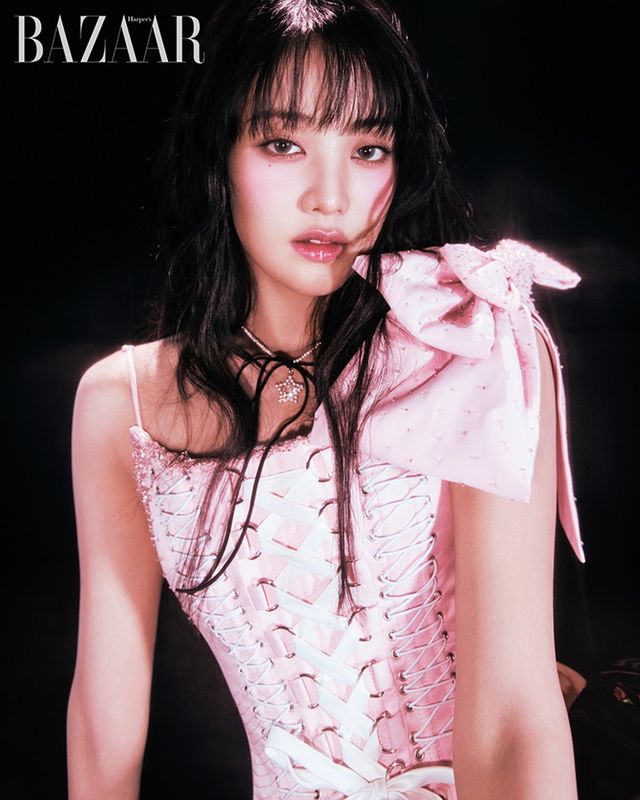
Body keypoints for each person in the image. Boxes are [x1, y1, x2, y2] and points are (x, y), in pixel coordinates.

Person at [65, 1, 587, 798]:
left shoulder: (470, 338)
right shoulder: (123, 404)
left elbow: (516, 716)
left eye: (369, 148)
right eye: (284, 143)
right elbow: (105, 733)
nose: (331, 198)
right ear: (219, 153)